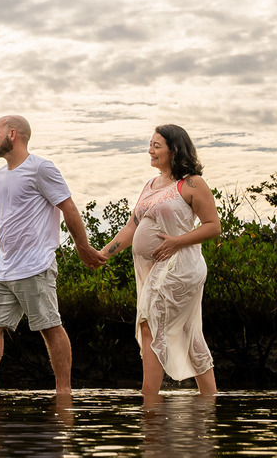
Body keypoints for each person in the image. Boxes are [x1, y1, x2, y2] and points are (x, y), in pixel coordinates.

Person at [0, 115, 105, 394]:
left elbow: (68, 208)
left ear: (13, 134)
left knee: (50, 327)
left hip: (35, 266)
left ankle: (63, 392)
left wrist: (84, 249)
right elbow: (0, 221)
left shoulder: (41, 168)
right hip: (4, 269)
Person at [98, 124, 221, 402]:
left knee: (148, 322)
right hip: (154, 268)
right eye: (150, 144)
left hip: (180, 265)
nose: (150, 150)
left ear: (174, 150)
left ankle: (149, 399)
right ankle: (210, 397)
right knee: (190, 332)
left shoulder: (192, 183)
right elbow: (132, 227)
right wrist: (103, 254)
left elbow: (213, 226)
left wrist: (178, 241)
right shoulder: (150, 186)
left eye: (157, 145)